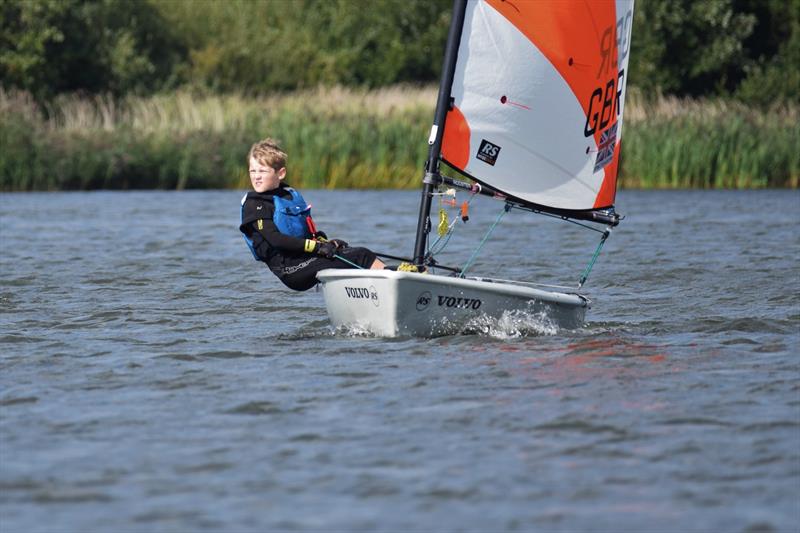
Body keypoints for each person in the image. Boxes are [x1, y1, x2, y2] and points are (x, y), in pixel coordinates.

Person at [239, 138, 385, 291]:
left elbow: (306, 235)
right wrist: (317, 247)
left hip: (305, 258)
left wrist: (326, 242)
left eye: (262, 171)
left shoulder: (288, 196)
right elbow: (276, 240)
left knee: (355, 253)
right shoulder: (254, 203)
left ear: (280, 173)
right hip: (290, 269)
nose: (256, 176)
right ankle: (390, 288)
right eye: (252, 171)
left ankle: (396, 278)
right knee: (362, 256)